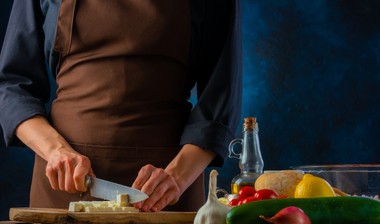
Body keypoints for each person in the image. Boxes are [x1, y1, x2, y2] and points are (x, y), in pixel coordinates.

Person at [0, 0, 242, 212]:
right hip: (64, 184)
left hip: (165, 194)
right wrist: (55, 151)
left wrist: (176, 178)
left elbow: (220, 99)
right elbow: (13, 85)